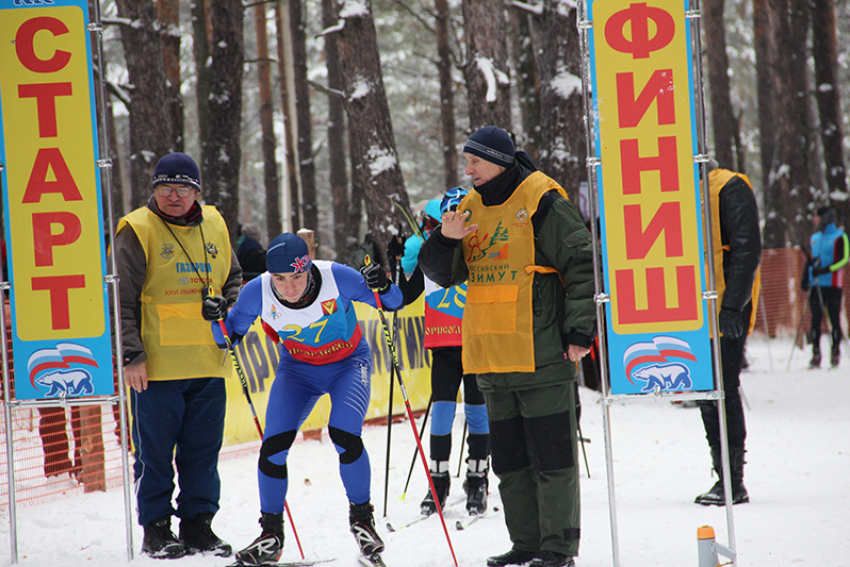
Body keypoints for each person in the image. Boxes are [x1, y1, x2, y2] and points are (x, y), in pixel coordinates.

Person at [419, 126, 595, 567]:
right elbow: (441, 274)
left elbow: (581, 264)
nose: (468, 169)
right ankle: (527, 545)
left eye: (475, 161)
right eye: (466, 162)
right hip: (489, 356)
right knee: (511, 463)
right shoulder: (467, 207)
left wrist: (580, 333)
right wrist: (445, 238)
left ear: (499, 160)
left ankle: (557, 549)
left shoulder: (542, 200)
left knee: (552, 458)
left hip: (542, 353)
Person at [206, 233, 402, 566]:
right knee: (272, 448)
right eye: (280, 278)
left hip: (348, 364)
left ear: (308, 267)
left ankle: (362, 522)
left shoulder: (336, 276)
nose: (290, 287)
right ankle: (271, 534)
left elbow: (393, 302)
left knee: (344, 435)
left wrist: (382, 284)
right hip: (298, 371)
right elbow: (227, 339)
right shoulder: (257, 291)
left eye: (297, 277)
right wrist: (215, 317)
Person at [113, 152, 242, 559]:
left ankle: (198, 526)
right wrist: (131, 354)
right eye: (164, 187)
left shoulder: (216, 224)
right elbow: (120, 297)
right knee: (154, 455)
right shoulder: (137, 228)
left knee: (202, 453)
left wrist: (230, 314)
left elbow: (234, 278)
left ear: (196, 191)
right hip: (155, 367)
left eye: (182, 188)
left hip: (207, 361)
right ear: (153, 189)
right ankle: (156, 529)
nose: (173, 195)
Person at [389, 188, 490, 517]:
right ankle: (439, 479)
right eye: (448, 220)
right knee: (442, 414)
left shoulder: (482, 252)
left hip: (476, 344)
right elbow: (403, 297)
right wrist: (392, 263)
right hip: (445, 346)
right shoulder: (430, 254)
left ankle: (477, 478)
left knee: (477, 413)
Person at [694, 161, 761, 506]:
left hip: (726, 305)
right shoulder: (676, 193)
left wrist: (733, 306)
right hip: (693, 311)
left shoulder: (729, 187)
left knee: (723, 387)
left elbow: (748, 250)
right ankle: (723, 475)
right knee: (708, 390)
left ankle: (734, 480)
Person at [801, 205, 848, 368]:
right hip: (816, 285)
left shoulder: (840, 237)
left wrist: (825, 269)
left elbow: (843, 260)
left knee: (834, 319)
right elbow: (810, 261)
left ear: (825, 217)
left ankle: (835, 352)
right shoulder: (814, 238)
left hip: (833, 284)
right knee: (815, 320)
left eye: (817, 216)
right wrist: (806, 277)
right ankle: (816, 354)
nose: (814, 219)